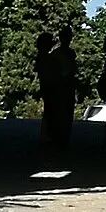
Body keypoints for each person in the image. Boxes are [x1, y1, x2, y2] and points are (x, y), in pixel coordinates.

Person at [37, 23, 77, 151]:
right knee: (57, 112)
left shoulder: (58, 54)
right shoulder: (57, 55)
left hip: (59, 86)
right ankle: (55, 137)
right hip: (58, 86)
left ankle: (54, 137)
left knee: (56, 112)